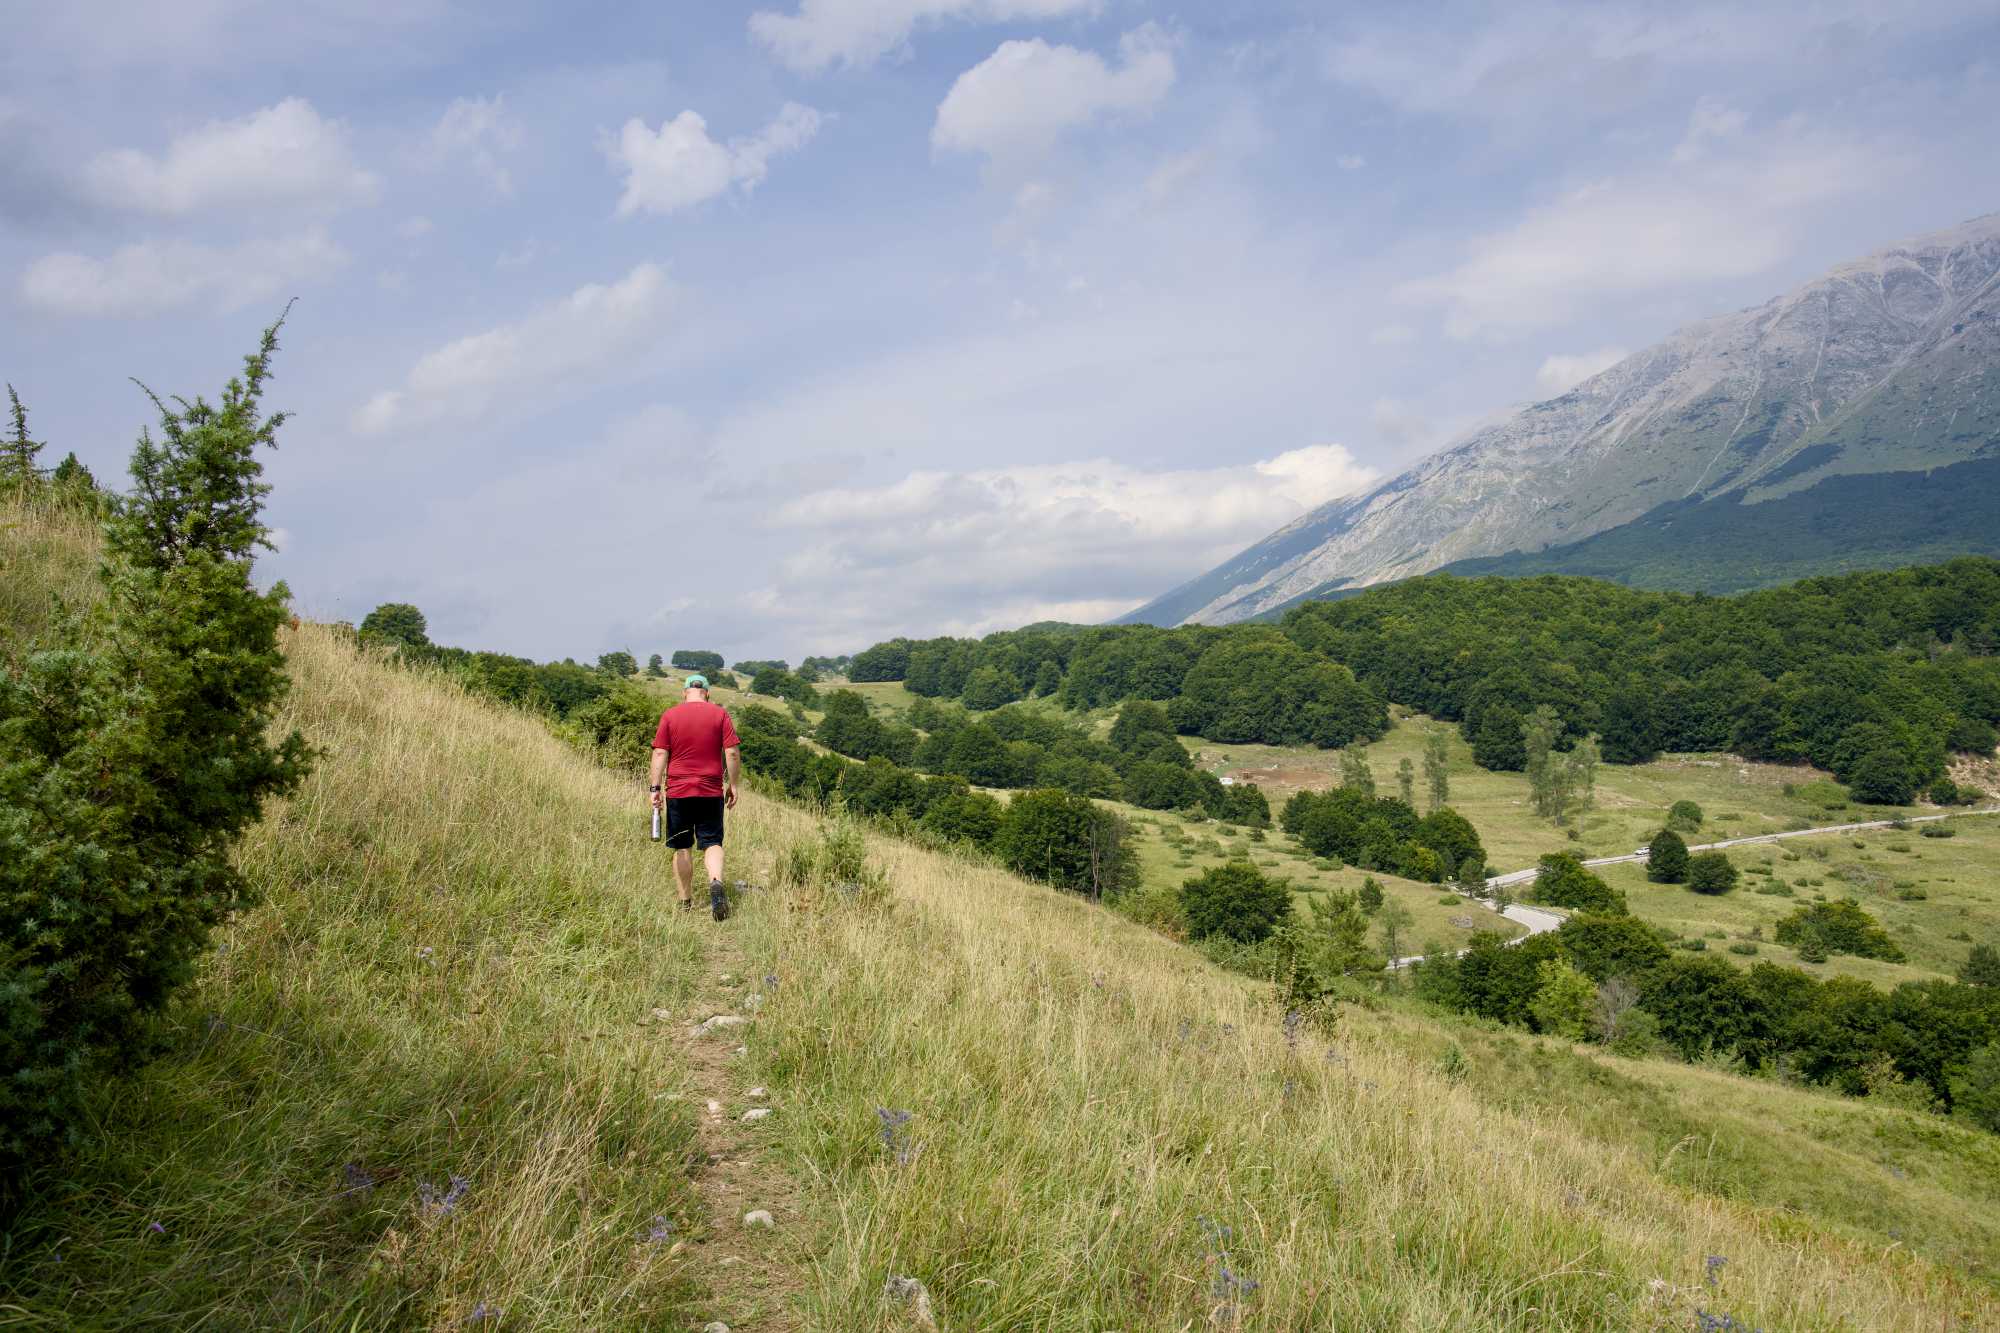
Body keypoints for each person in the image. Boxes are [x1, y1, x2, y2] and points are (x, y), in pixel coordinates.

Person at [649, 674, 742, 920]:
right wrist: (733, 785)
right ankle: (715, 882)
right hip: (711, 790)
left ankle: (685, 903)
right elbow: (731, 753)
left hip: (678, 791)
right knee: (712, 842)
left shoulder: (670, 715)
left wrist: (655, 789)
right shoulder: (720, 714)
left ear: (684, 693)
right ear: (707, 693)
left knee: (682, 846)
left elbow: (659, 753)